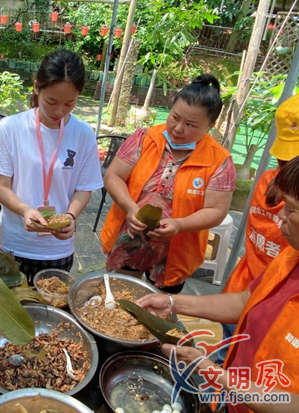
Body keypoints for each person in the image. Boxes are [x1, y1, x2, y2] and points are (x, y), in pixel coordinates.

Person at [137, 155, 299, 413]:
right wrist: (172, 302)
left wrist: (209, 370)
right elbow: (247, 301)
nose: (280, 214)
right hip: (233, 398)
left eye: (291, 208)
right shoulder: (291, 255)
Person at [101, 74, 236, 293]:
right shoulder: (145, 138)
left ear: (210, 126)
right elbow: (114, 176)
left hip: (176, 250)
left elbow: (216, 210)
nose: (178, 128)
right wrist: (131, 208)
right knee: (121, 293)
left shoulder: (219, 160)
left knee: (160, 303)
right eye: (175, 117)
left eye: (190, 124)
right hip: (131, 236)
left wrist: (179, 225)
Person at [0, 49, 103, 282]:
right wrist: (25, 210)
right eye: (51, 101)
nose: (59, 111)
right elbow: (1, 186)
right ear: (36, 87)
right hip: (13, 244)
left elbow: (84, 188)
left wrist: (70, 217)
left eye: (69, 103)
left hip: (57, 249)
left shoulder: (83, 134)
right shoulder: (10, 128)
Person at [215, 93, 299, 365]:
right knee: (231, 365)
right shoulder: (279, 193)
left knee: (227, 363)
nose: (284, 216)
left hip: (249, 293)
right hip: (257, 301)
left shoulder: (267, 181)